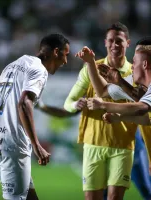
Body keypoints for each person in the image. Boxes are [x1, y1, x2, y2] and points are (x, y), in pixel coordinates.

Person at [0, 33, 70, 200]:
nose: (66, 61)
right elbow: (24, 103)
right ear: (56, 52)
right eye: (66, 54)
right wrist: (37, 145)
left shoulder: (15, 65)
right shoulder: (39, 70)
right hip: (13, 146)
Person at [64, 22, 150, 200]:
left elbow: (141, 108)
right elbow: (104, 92)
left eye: (119, 41)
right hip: (94, 142)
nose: (115, 45)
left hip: (124, 145)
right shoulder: (123, 76)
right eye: (111, 40)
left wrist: (106, 106)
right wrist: (90, 64)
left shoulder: (136, 79)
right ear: (105, 43)